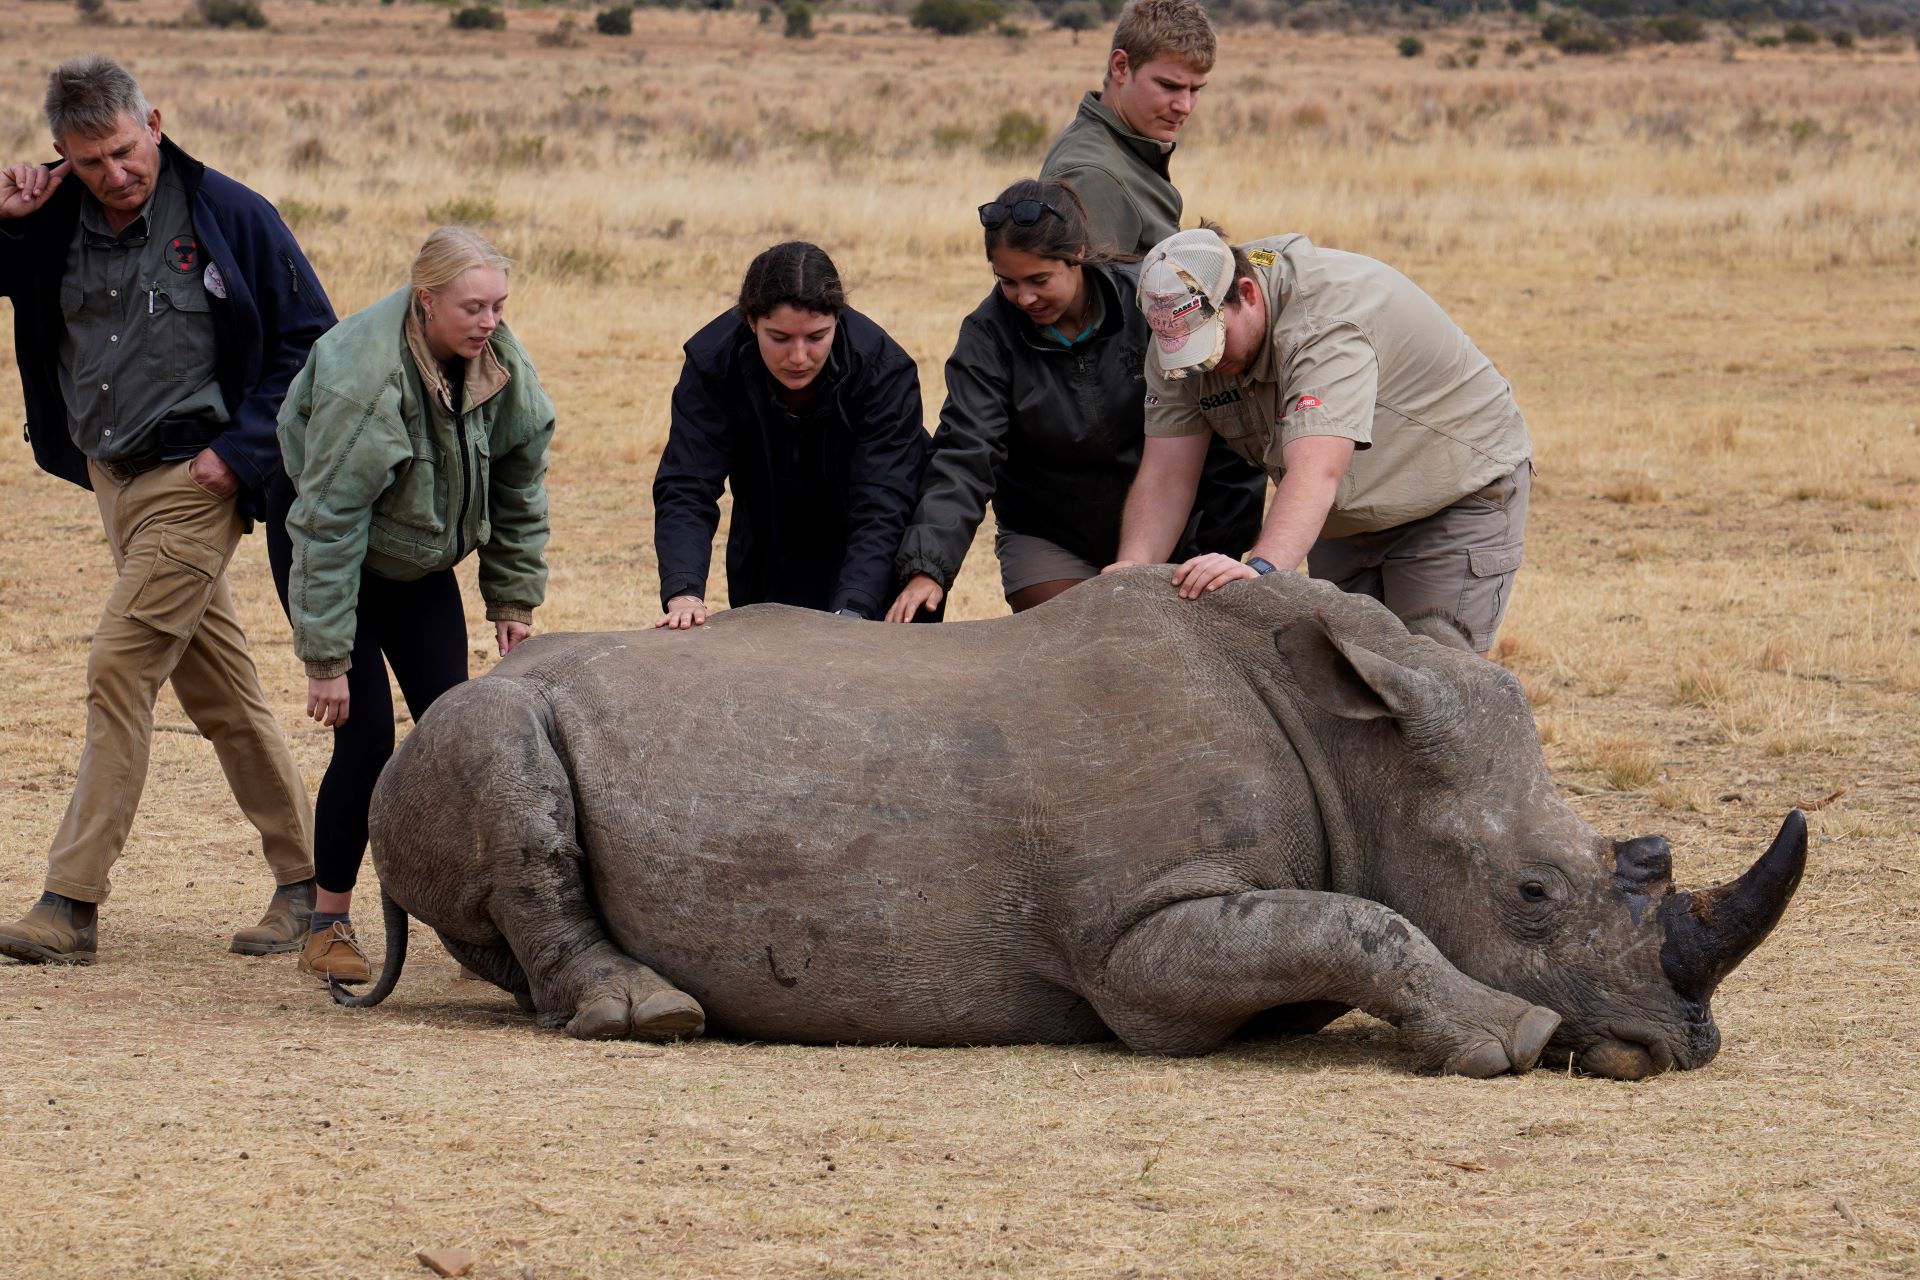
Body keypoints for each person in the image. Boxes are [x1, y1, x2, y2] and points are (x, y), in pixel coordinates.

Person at [0, 55, 328, 966]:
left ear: (154, 121)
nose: (114, 173)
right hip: (112, 483)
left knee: (119, 668)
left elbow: (313, 344)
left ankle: (70, 902)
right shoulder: (50, 213)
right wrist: (7, 222)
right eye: (89, 161)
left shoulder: (232, 213)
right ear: (61, 153)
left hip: (196, 484)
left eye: (124, 150)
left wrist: (241, 454)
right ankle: (309, 884)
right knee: (219, 690)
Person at [271, 227, 553, 983]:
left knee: (456, 737)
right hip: (334, 548)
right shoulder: (365, 379)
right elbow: (328, 524)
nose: (489, 321)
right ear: (425, 300)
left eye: (498, 305)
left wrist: (512, 595)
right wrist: (327, 659)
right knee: (365, 738)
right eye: (472, 307)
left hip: (417, 555)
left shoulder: (499, 362)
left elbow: (519, 482)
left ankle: (478, 928)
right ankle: (326, 925)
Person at [1109, 225, 1534, 656]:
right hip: (1345, 513)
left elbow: (1316, 471)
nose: (1205, 361)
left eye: (1212, 343)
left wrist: (1260, 571)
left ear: (1247, 294)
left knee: (1431, 676)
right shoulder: (1180, 332)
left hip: (1450, 494)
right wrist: (1130, 572)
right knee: (1343, 673)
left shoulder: (1322, 323)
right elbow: (1165, 475)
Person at [1040, 0, 1268, 566]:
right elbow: (1095, 334)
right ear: (1120, 66)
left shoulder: (1128, 151)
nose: (1184, 105)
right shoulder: (1093, 174)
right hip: (1150, 418)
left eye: (1196, 90)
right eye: (1169, 85)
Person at [887, 178, 1171, 620]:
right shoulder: (987, 334)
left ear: (1077, 254)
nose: (1025, 298)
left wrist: (1214, 542)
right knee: (1076, 636)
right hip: (1047, 531)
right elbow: (967, 450)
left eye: (1039, 280)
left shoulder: (1147, 304)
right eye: (1008, 282)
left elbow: (1211, 423)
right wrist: (929, 566)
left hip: (1164, 521)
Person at [652, 241, 927, 628]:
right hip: (769, 544)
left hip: (876, 552)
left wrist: (854, 608)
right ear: (751, 321)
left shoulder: (883, 370)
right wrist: (684, 589)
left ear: (837, 320)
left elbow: (883, 501)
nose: (798, 357)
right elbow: (687, 483)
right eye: (780, 338)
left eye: (816, 337)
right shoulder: (712, 363)